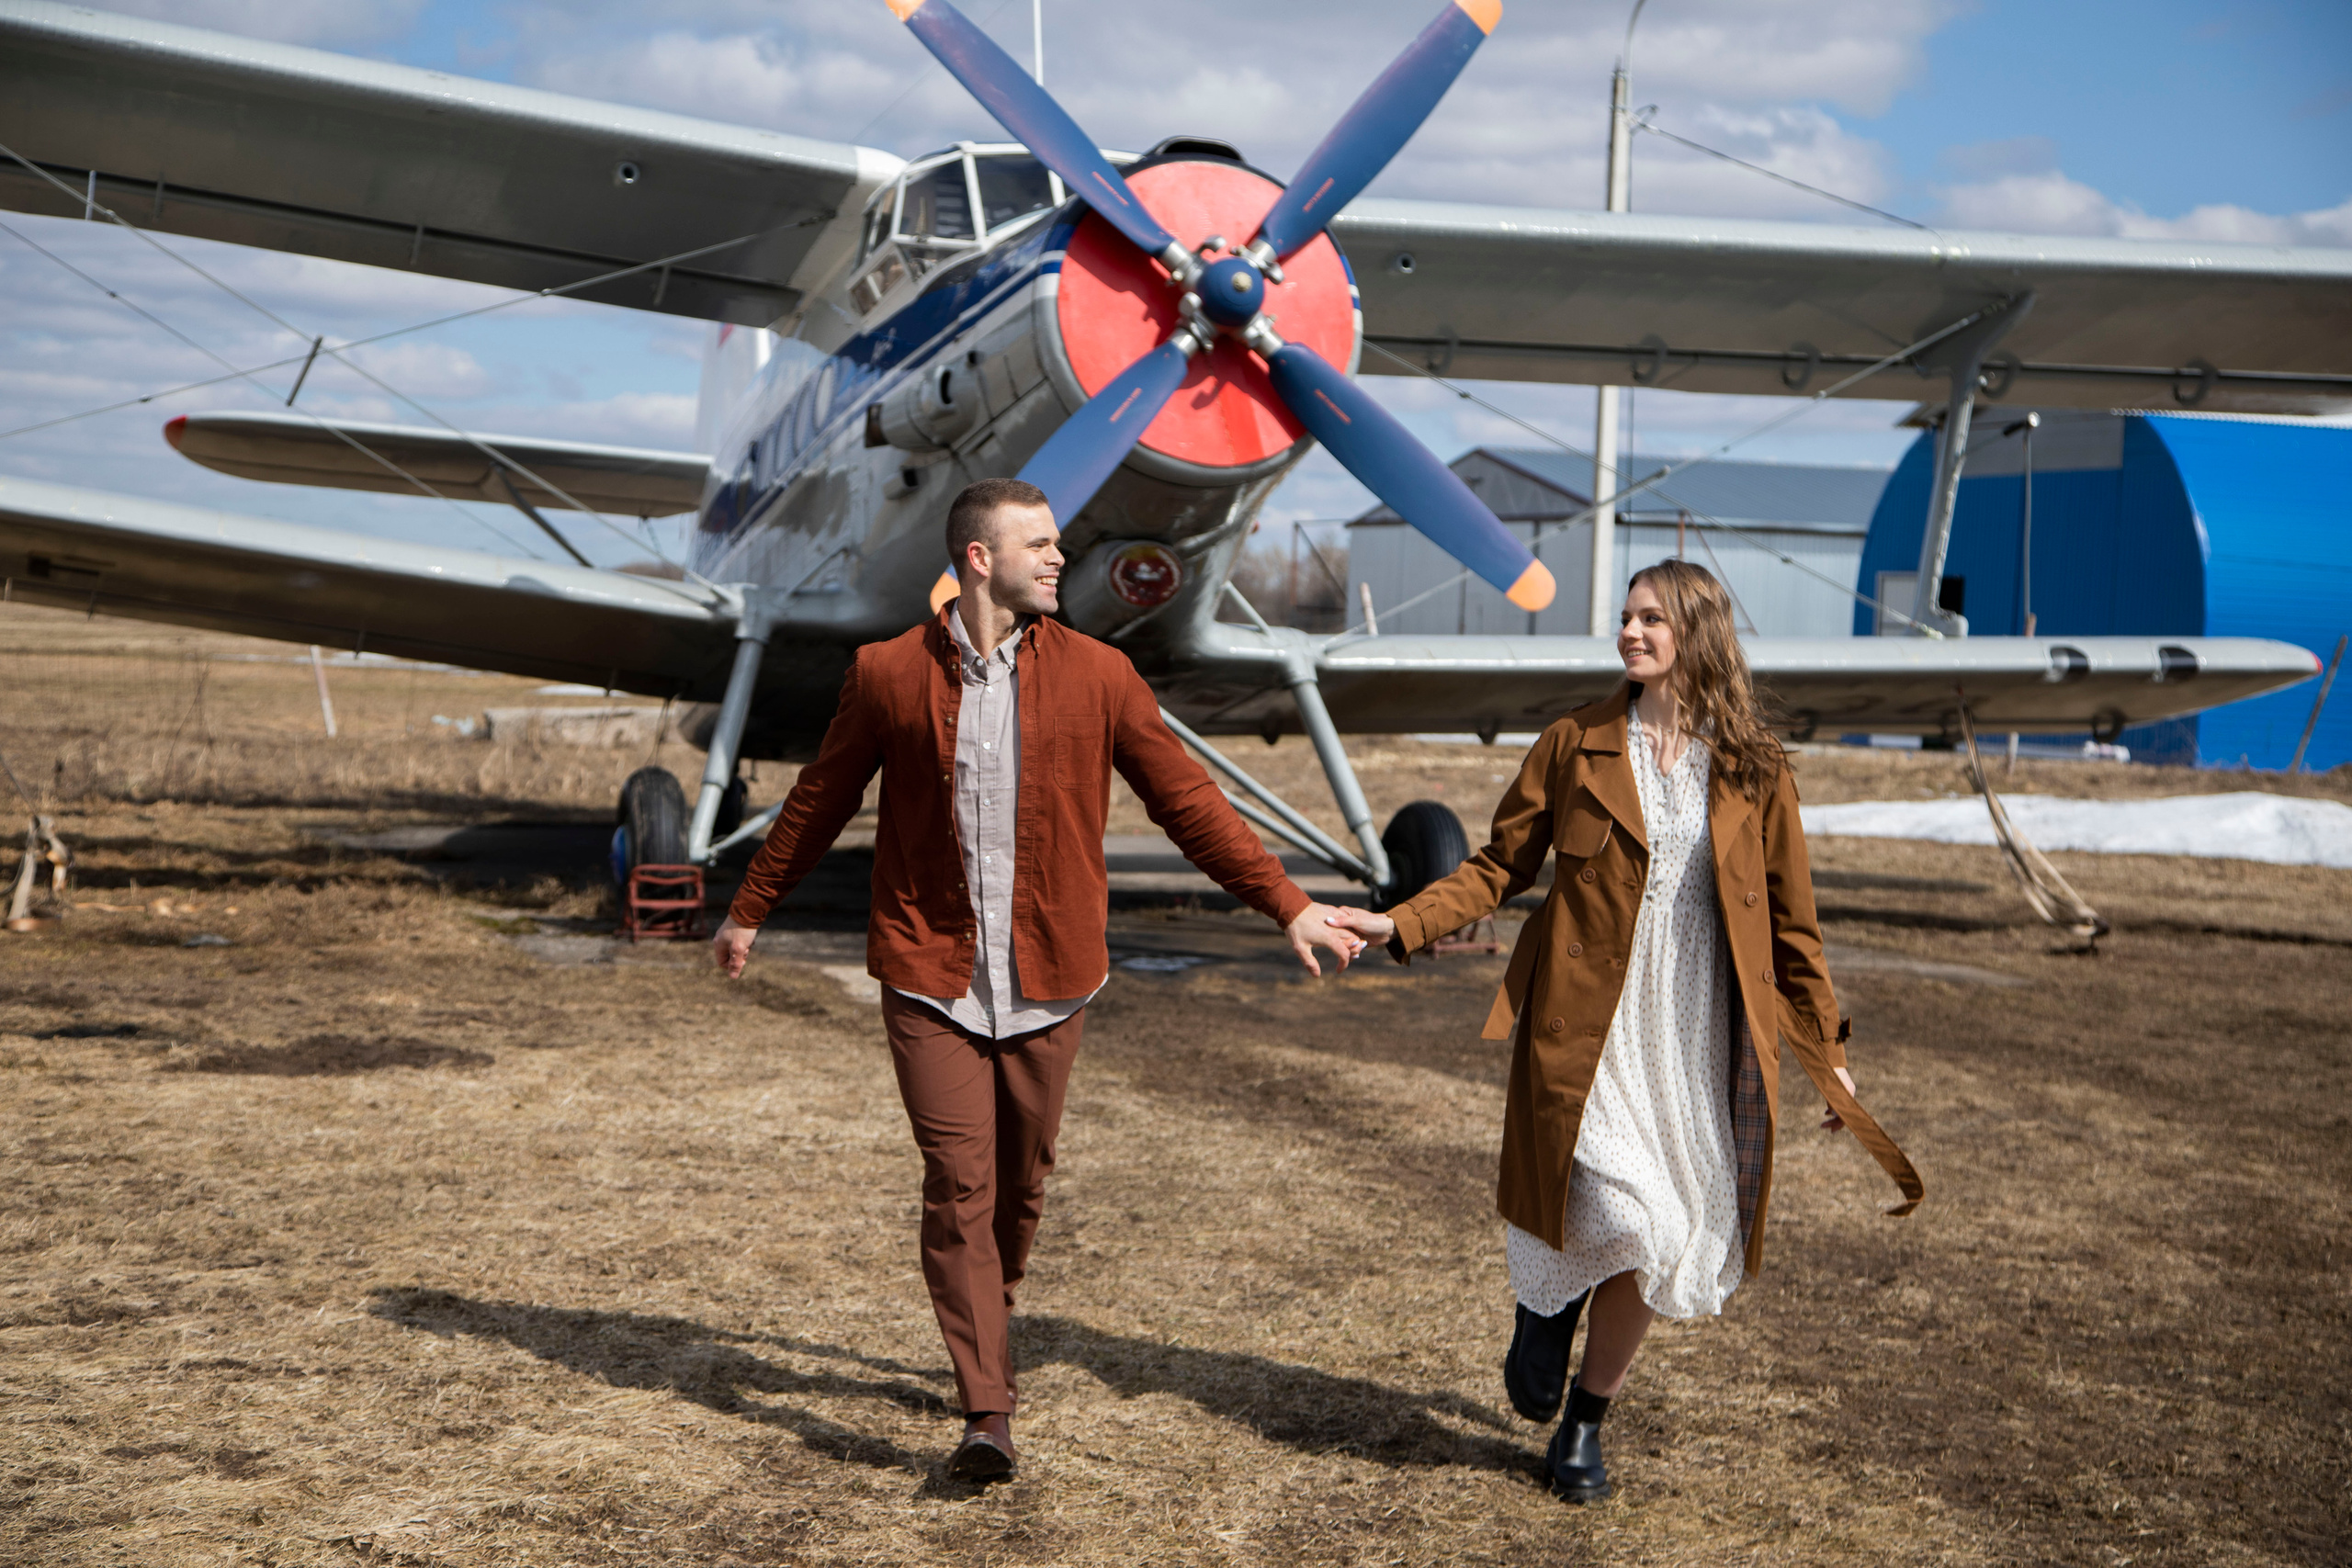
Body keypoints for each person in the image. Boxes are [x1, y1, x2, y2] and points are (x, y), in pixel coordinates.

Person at [712, 477, 1366, 1483]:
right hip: (928, 973)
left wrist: (1286, 902)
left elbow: (1190, 804)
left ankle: (990, 1320)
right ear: (980, 557)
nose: (1061, 558)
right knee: (959, 1183)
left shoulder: (1100, 676)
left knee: (1020, 1188)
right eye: (1040, 544)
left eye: (1057, 545)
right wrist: (751, 907)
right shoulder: (885, 673)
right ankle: (986, 1410)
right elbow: (816, 801)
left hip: (1053, 974)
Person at [1331, 558, 1919, 1504]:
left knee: (1665, 1239)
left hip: (1694, 1032)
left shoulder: (1755, 768)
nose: (1631, 632)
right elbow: (1497, 867)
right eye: (1626, 616)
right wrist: (1398, 923)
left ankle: (1584, 1422)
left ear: (1698, 632)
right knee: (1622, 1212)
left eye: (1652, 618)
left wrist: (1830, 1061)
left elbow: (1790, 926)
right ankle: (1544, 1308)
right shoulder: (1574, 744)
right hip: (1588, 1026)